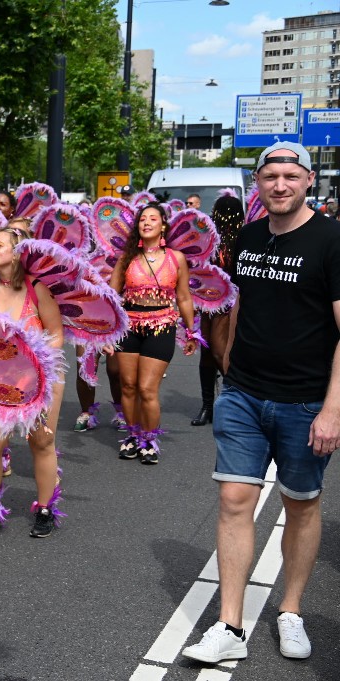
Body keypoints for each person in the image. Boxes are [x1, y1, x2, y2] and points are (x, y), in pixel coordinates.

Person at [183, 142, 340, 665]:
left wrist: (333, 409)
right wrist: (226, 361)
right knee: (233, 501)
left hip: (305, 403)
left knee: (300, 504)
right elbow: (237, 301)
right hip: (244, 396)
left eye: (290, 176)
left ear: (308, 179)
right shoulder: (248, 237)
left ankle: (290, 610)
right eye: (270, 176)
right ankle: (230, 624)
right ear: (258, 182)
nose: (279, 185)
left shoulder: (331, 240)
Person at [0, 223, 65, 539]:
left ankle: (45, 507)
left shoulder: (36, 289)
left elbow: (56, 335)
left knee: (41, 441)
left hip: (38, 379)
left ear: (17, 253)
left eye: (0, 244)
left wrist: (31, 361)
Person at [110, 202, 198, 464]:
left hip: (162, 325)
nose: (146, 222)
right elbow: (111, 296)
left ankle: (149, 438)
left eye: (152, 219)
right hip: (129, 325)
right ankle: (132, 435)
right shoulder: (126, 258)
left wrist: (191, 331)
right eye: (142, 220)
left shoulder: (176, 258)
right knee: (128, 386)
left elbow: (183, 297)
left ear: (163, 225)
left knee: (147, 389)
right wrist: (104, 332)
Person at [191, 193, 244, 426]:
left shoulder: (244, 239)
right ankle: (207, 406)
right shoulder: (208, 240)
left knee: (219, 350)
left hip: (230, 303)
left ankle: (238, 401)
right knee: (206, 351)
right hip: (206, 302)